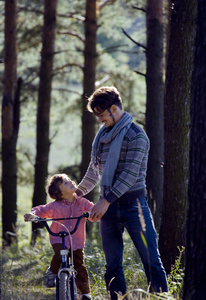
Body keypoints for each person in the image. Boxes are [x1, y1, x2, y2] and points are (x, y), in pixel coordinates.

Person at [76, 86, 168, 299]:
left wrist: (105, 201)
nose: (99, 120)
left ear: (114, 109)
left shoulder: (137, 136)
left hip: (134, 206)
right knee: (112, 265)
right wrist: (77, 195)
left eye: (101, 114)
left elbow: (130, 175)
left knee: (151, 260)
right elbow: (94, 170)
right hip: (107, 208)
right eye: (97, 115)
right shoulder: (102, 137)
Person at [24, 173, 93, 300]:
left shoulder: (82, 202)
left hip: (76, 240)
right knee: (59, 256)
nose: (71, 181)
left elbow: (93, 210)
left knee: (79, 265)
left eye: (69, 180)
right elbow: (41, 210)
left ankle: (85, 293)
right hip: (58, 238)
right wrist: (32, 214)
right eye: (66, 183)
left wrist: (91, 214)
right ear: (60, 193)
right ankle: (52, 271)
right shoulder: (55, 206)